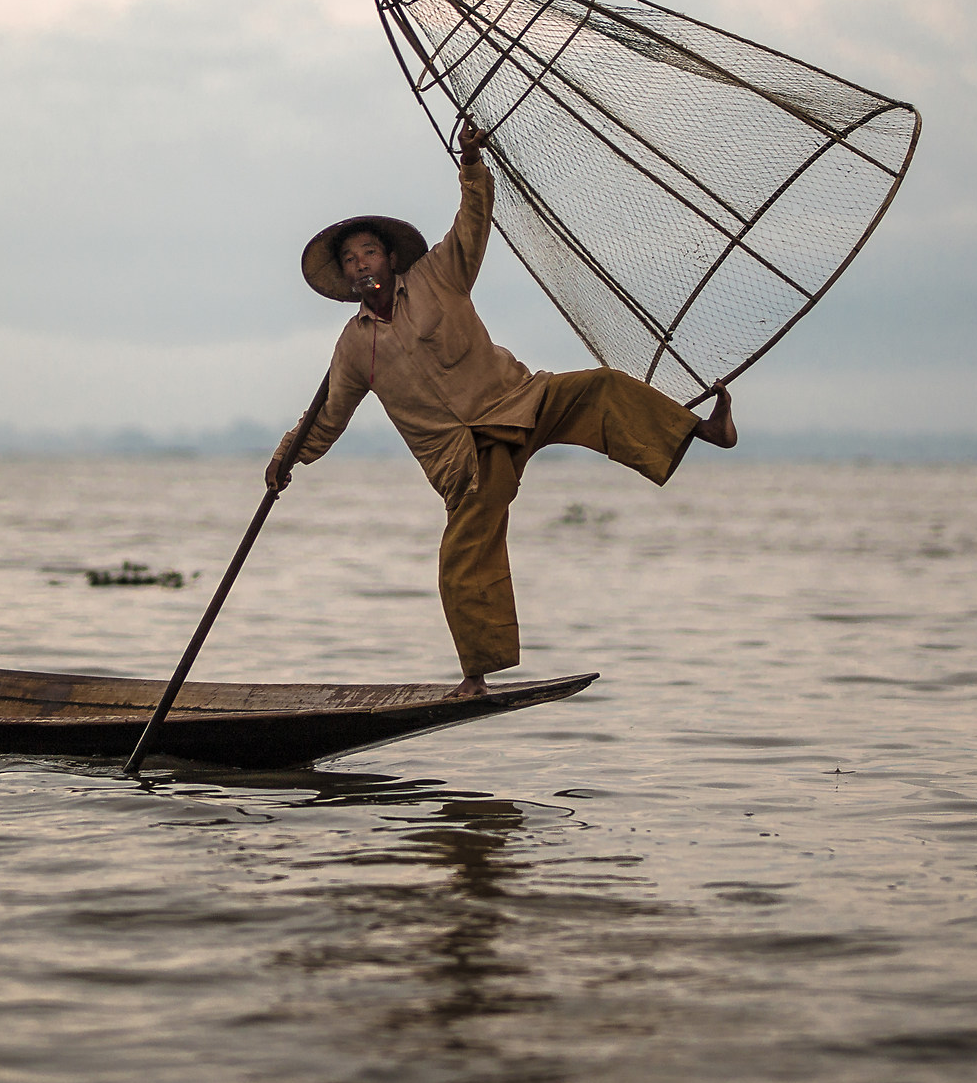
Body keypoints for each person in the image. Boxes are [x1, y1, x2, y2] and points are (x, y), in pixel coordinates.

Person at [268, 120, 736, 694]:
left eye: (370, 253)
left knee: (601, 387)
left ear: (390, 259)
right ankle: (476, 676)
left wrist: (470, 165)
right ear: (345, 276)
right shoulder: (354, 346)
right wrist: (286, 459)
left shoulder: (439, 274)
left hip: (519, 401)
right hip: (466, 459)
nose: (362, 264)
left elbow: (471, 224)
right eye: (350, 260)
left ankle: (700, 431)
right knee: (464, 556)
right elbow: (326, 419)